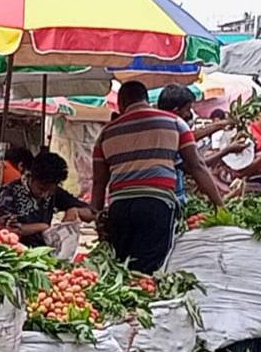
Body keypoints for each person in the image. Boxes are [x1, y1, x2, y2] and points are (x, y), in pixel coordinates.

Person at [92, 81, 226, 273]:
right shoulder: (174, 123)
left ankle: (130, 300)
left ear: (121, 103)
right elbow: (197, 166)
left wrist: (96, 213)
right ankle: (144, 301)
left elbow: (99, 182)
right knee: (150, 268)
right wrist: (220, 206)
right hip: (156, 204)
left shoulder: (106, 133)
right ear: (146, 98)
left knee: (122, 267)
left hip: (119, 208)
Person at [157, 84, 245, 207]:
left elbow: (192, 136)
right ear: (176, 111)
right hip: (169, 198)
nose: (189, 115)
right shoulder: (172, 129)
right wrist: (227, 150)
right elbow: (195, 166)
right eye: (187, 109)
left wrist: (220, 125)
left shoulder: (157, 129)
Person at [0, 152, 93, 248]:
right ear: (31, 178)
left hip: (44, 252)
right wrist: (43, 226)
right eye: (41, 189)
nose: (45, 195)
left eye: (50, 191)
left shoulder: (54, 192)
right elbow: (8, 229)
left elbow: (92, 213)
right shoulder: (9, 192)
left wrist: (74, 210)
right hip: (16, 250)